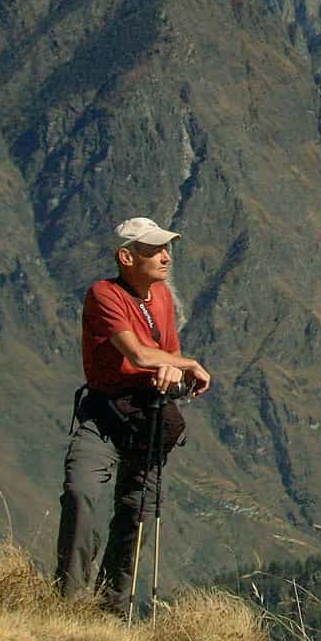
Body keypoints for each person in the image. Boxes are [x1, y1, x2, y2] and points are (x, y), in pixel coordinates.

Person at [55, 216, 211, 608]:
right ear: (126, 257)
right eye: (153, 250)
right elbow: (138, 354)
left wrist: (172, 367)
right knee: (80, 490)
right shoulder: (103, 295)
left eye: (165, 249)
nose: (164, 257)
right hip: (105, 413)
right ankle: (68, 601)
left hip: (148, 414)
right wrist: (186, 363)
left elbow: (164, 354)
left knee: (135, 513)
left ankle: (111, 609)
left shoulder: (160, 297)